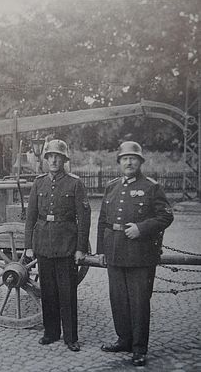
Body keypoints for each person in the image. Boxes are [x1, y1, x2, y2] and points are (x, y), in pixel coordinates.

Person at [97, 141, 173, 367]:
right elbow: (103, 221)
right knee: (118, 300)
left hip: (140, 255)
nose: (129, 162)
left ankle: (139, 348)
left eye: (133, 158)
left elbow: (166, 217)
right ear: (119, 162)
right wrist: (101, 250)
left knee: (139, 303)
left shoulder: (151, 187)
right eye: (125, 158)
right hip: (115, 252)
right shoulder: (111, 187)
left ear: (140, 162)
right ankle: (124, 339)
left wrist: (141, 228)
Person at [24, 139, 91, 352]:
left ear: (64, 160)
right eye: (50, 156)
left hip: (66, 245)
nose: (53, 159)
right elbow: (31, 217)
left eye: (58, 156)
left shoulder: (75, 184)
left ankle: (71, 337)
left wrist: (81, 248)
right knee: (48, 292)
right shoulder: (39, 183)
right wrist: (28, 245)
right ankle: (50, 333)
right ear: (45, 159)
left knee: (67, 293)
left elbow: (84, 218)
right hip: (43, 244)